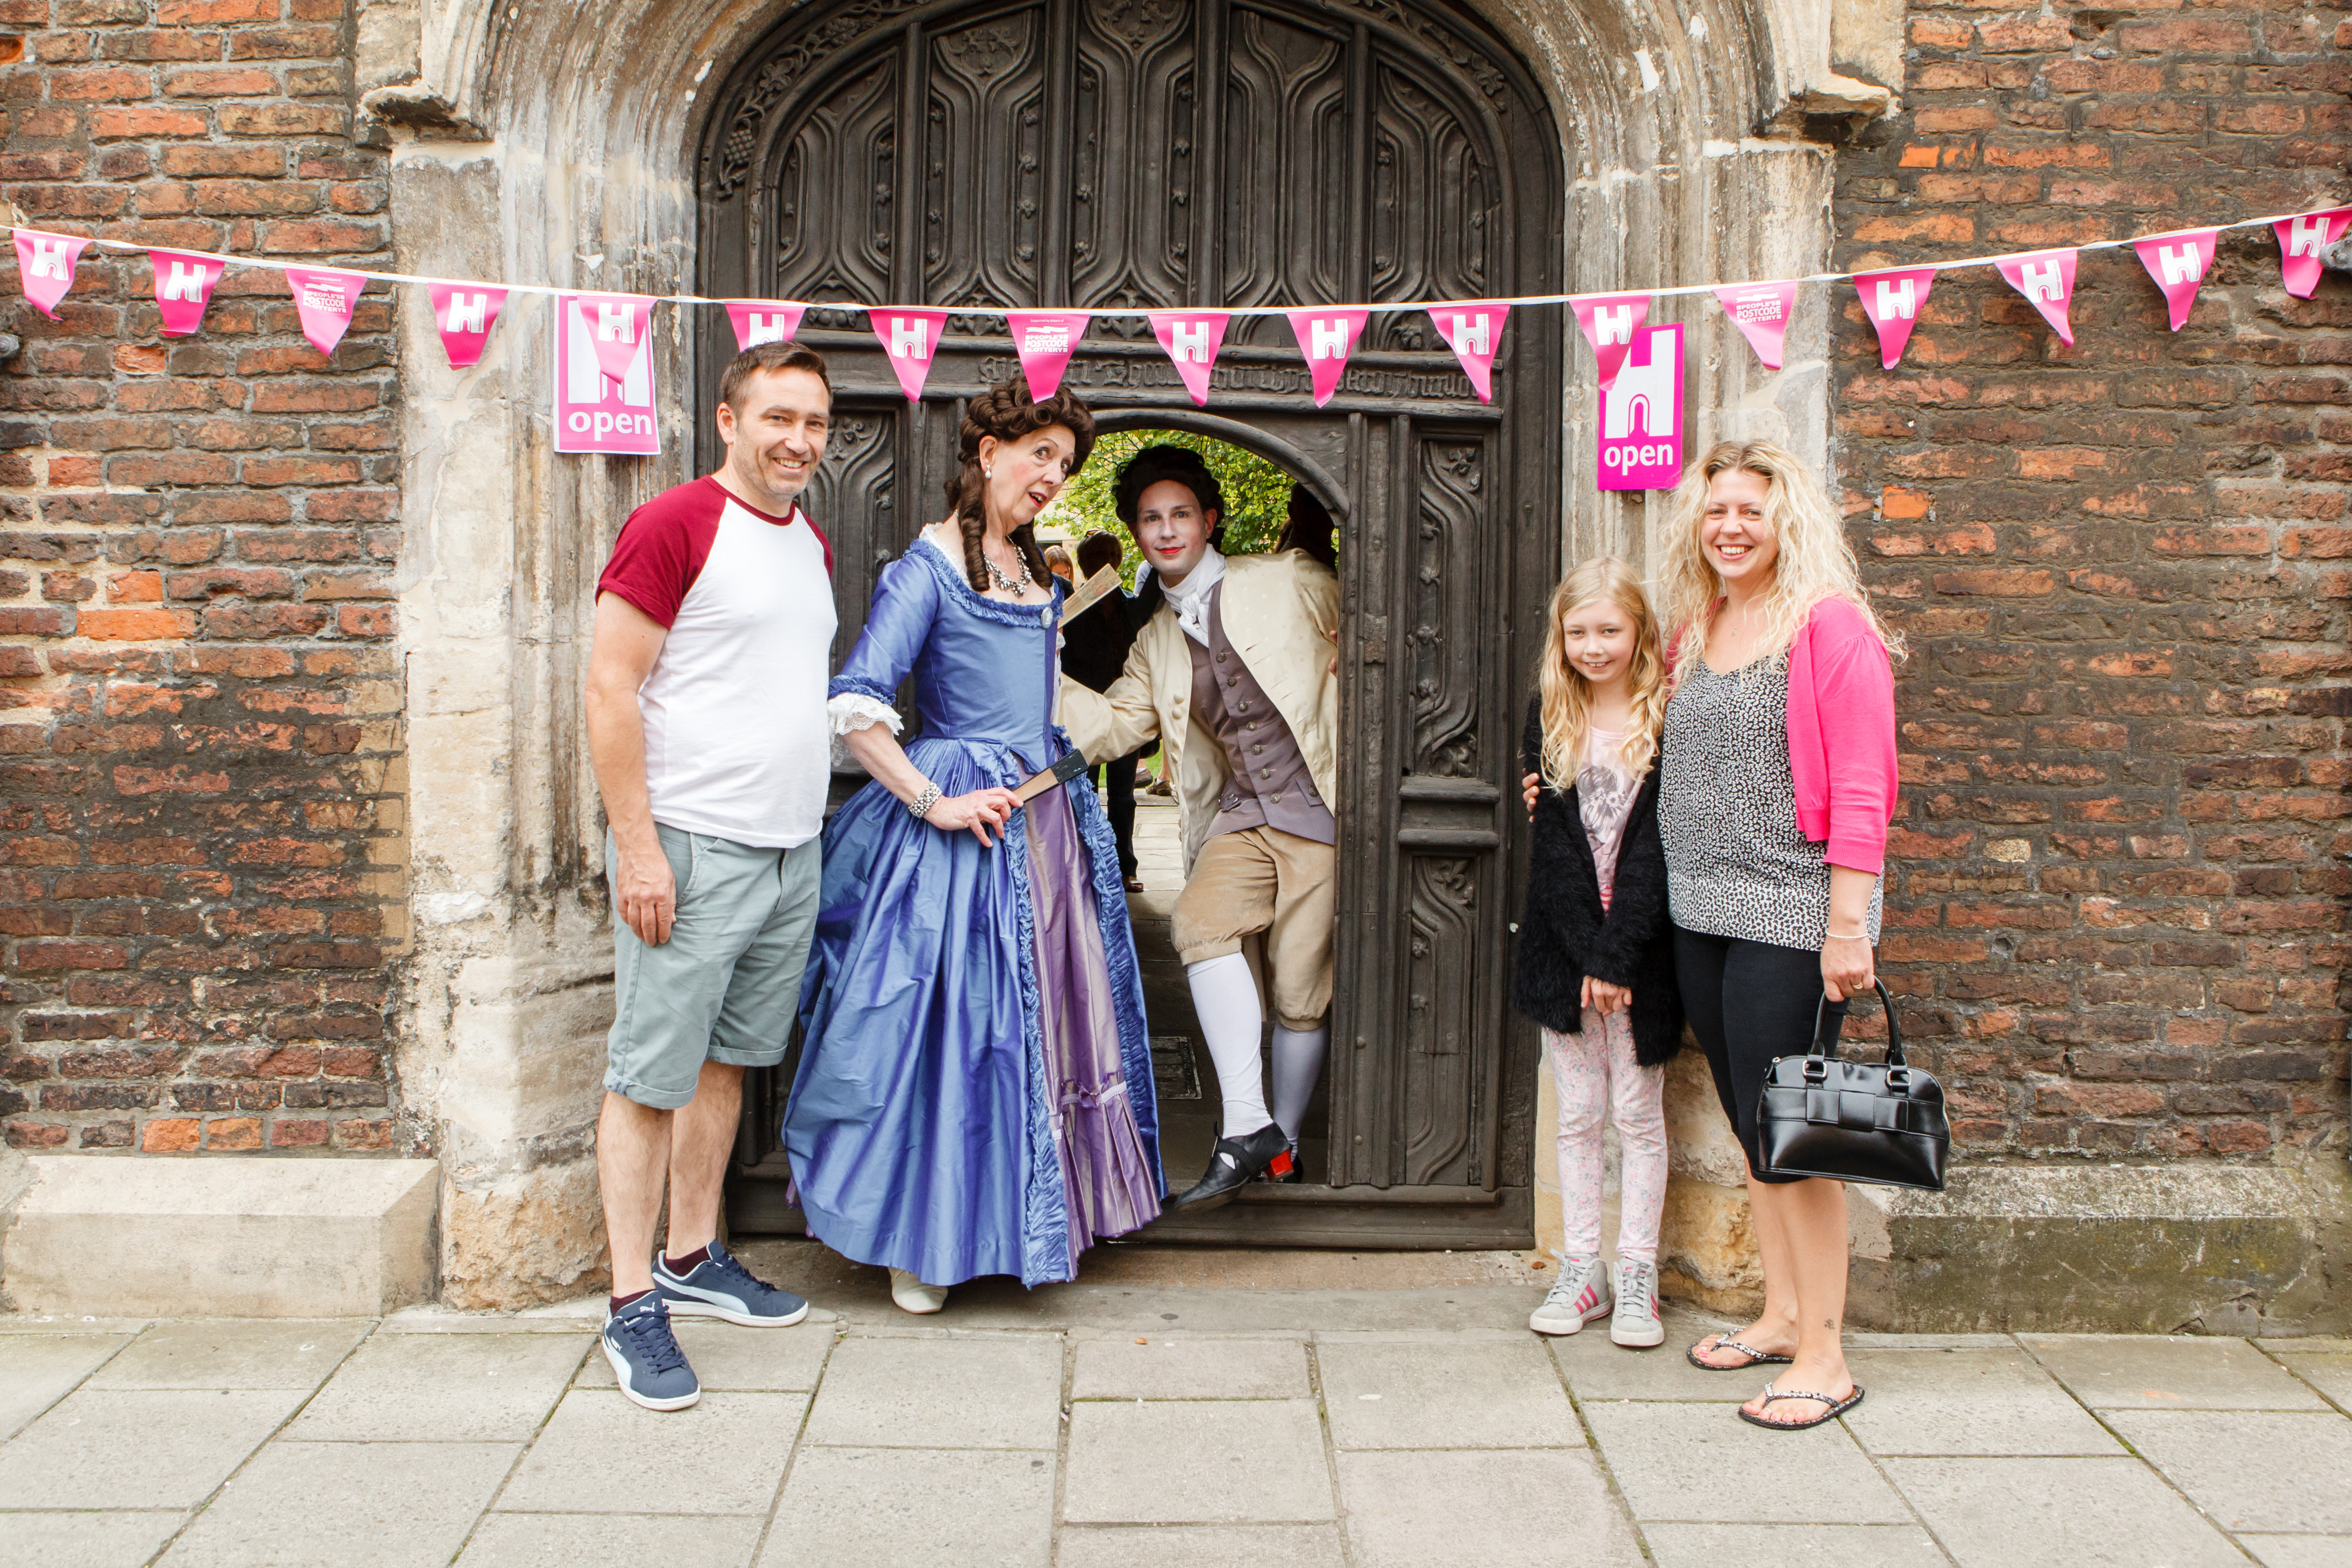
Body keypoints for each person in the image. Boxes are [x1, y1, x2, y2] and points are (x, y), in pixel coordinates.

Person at [787, 379, 1161, 1315]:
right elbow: (859, 706)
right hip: (963, 833)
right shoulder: (928, 569)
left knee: (1040, 1028)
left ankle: (1029, 1216)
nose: (1052, 476)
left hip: (1044, 827)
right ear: (989, 451)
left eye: (1064, 464)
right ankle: (922, 1239)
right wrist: (931, 803)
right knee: (948, 1028)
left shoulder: (1037, 570)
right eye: (1040, 454)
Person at [582, 339, 834, 1412]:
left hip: (787, 849)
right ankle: (630, 1302)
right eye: (778, 418)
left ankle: (693, 1255)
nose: (798, 441)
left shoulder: (806, 540)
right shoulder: (676, 523)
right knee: (649, 1074)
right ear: (728, 420)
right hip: (688, 846)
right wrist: (638, 847)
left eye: (815, 424)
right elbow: (608, 686)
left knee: (729, 1061)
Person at [1655, 438, 1900, 1429]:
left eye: (1749, 509)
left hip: (1795, 917)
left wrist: (1847, 926)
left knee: (1799, 1132)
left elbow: (1861, 786)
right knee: (1754, 1130)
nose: (1729, 526)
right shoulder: (1700, 623)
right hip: (1701, 913)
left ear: (1783, 516)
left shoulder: (1828, 627)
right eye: (1715, 510)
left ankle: (1826, 1354)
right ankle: (1779, 1311)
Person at [1061, 446, 1339, 1206]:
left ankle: (1276, 1145)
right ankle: (1248, 1124)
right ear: (1135, 533)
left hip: (1323, 808)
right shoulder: (1154, 638)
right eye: (1151, 518)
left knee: (1301, 989)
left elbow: (1367, 639)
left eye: (1181, 513)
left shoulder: (1288, 577)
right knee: (1199, 922)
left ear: (1209, 519)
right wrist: (1030, 669)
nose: (1167, 529)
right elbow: (1117, 723)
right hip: (1243, 812)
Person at [1514, 557, 1682, 1349]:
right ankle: (1583, 1267)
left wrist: (1616, 961)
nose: (1593, 645)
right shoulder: (1548, 715)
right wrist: (1585, 957)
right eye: (1578, 631)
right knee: (1578, 1113)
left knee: (1637, 1114)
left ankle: (1638, 1271)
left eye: (1609, 630)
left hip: (1638, 955)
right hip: (1564, 950)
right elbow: (1553, 849)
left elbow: (1655, 853)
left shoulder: (1666, 719)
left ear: (1640, 632)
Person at [1059, 530, 1145, 890]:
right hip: (1085, 713)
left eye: (1114, 552)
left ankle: (1126, 865)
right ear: (1085, 562)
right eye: (1100, 554)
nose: (1109, 559)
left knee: (1124, 795)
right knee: (1084, 789)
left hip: (1124, 711)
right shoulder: (1074, 606)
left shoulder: (1129, 602)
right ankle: (1089, 863)